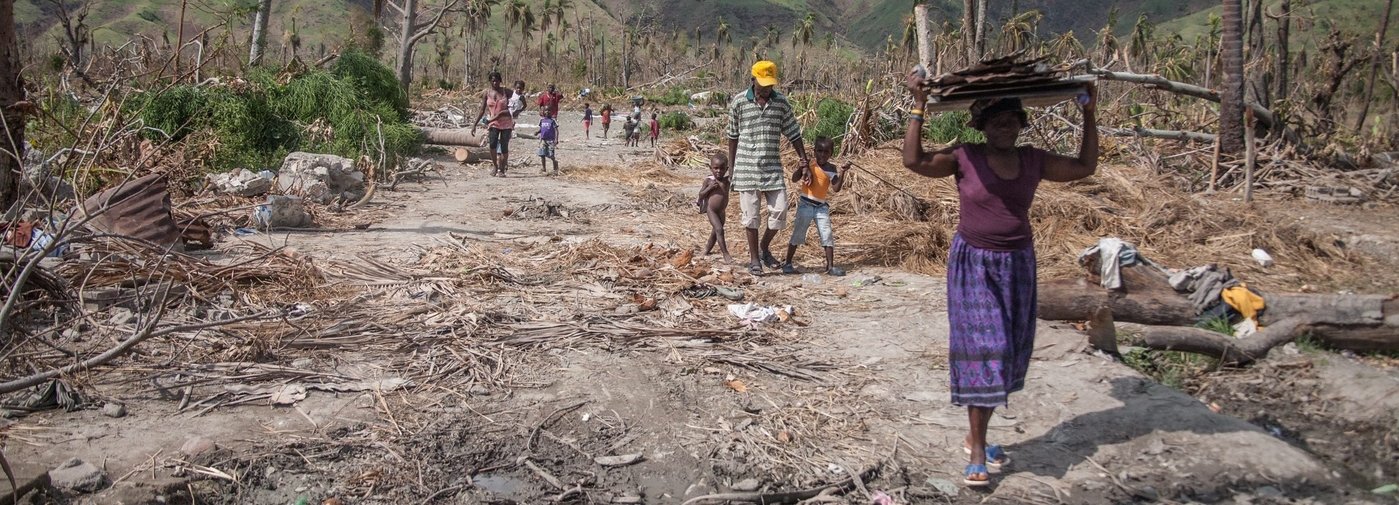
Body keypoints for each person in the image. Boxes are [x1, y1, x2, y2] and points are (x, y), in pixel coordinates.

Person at [901, 71, 1098, 487]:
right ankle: (977, 451)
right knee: (986, 349)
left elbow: (1084, 166)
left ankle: (976, 435)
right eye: (996, 121)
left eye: (1012, 120)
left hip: (1018, 264)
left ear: (1021, 124)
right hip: (973, 264)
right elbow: (914, 161)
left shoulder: (1033, 160)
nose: (1005, 127)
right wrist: (917, 105)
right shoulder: (964, 158)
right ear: (982, 126)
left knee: (1007, 350)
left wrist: (1089, 114)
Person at [726, 60, 810, 276]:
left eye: (770, 84)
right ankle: (754, 259)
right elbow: (732, 137)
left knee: (780, 211)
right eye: (762, 84)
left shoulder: (780, 103)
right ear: (752, 80)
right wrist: (732, 168)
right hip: (746, 167)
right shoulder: (739, 102)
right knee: (751, 216)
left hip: (772, 167)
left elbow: (793, 133)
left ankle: (764, 247)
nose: (766, 88)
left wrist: (804, 159)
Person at [781, 136, 848, 276]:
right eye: (819, 151)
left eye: (826, 152)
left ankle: (830, 267)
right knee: (798, 235)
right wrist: (801, 168)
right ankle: (788, 263)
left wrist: (842, 172)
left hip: (821, 207)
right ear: (814, 151)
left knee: (827, 235)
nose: (822, 155)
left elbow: (836, 188)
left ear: (831, 153)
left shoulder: (831, 169)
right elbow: (794, 179)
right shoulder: (809, 165)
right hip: (805, 205)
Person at [470, 71, 515, 177]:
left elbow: (517, 103)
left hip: (506, 123)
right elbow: (482, 110)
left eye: (497, 80)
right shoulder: (487, 93)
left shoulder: (506, 92)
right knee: (492, 145)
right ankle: (495, 166)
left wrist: (515, 113)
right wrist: (474, 124)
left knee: (504, 147)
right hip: (493, 122)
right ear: (490, 81)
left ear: (500, 81)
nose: (495, 83)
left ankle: (502, 169)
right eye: (493, 80)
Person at [696, 153, 733, 263]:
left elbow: (734, 177)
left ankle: (707, 249)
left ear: (726, 169)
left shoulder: (727, 181)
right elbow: (701, 194)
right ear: (710, 168)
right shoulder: (709, 181)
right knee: (719, 230)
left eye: (722, 168)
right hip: (711, 210)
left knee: (715, 233)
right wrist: (709, 188)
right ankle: (725, 254)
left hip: (721, 211)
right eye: (715, 168)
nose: (718, 171)